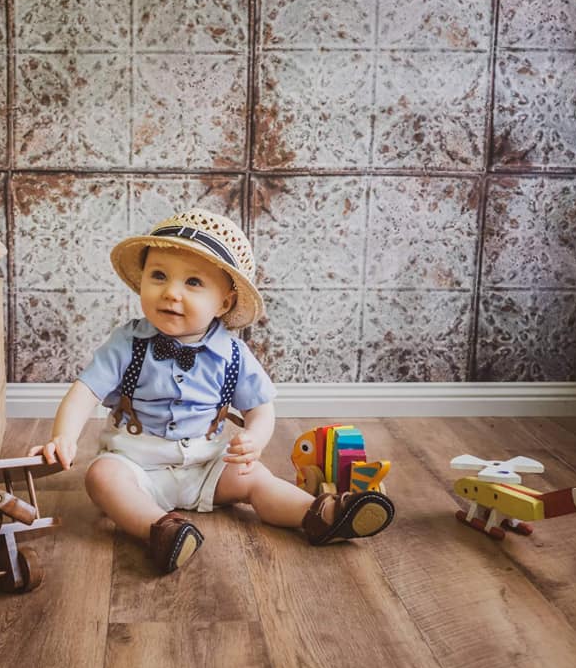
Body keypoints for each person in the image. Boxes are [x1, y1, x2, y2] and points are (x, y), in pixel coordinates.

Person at [29, 209, 394, 574]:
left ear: (224, 303)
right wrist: (63, 437)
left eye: (193, 283)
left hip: (206, 463)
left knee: (256, 478)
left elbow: (260, 408)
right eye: (159, 276)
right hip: (135, 462)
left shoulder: (233, 354)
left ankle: (321, 515)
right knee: (102, 478)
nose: (171, 292)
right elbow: (84, 392)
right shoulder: (127, 342)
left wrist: (255, 437)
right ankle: (158, 530)